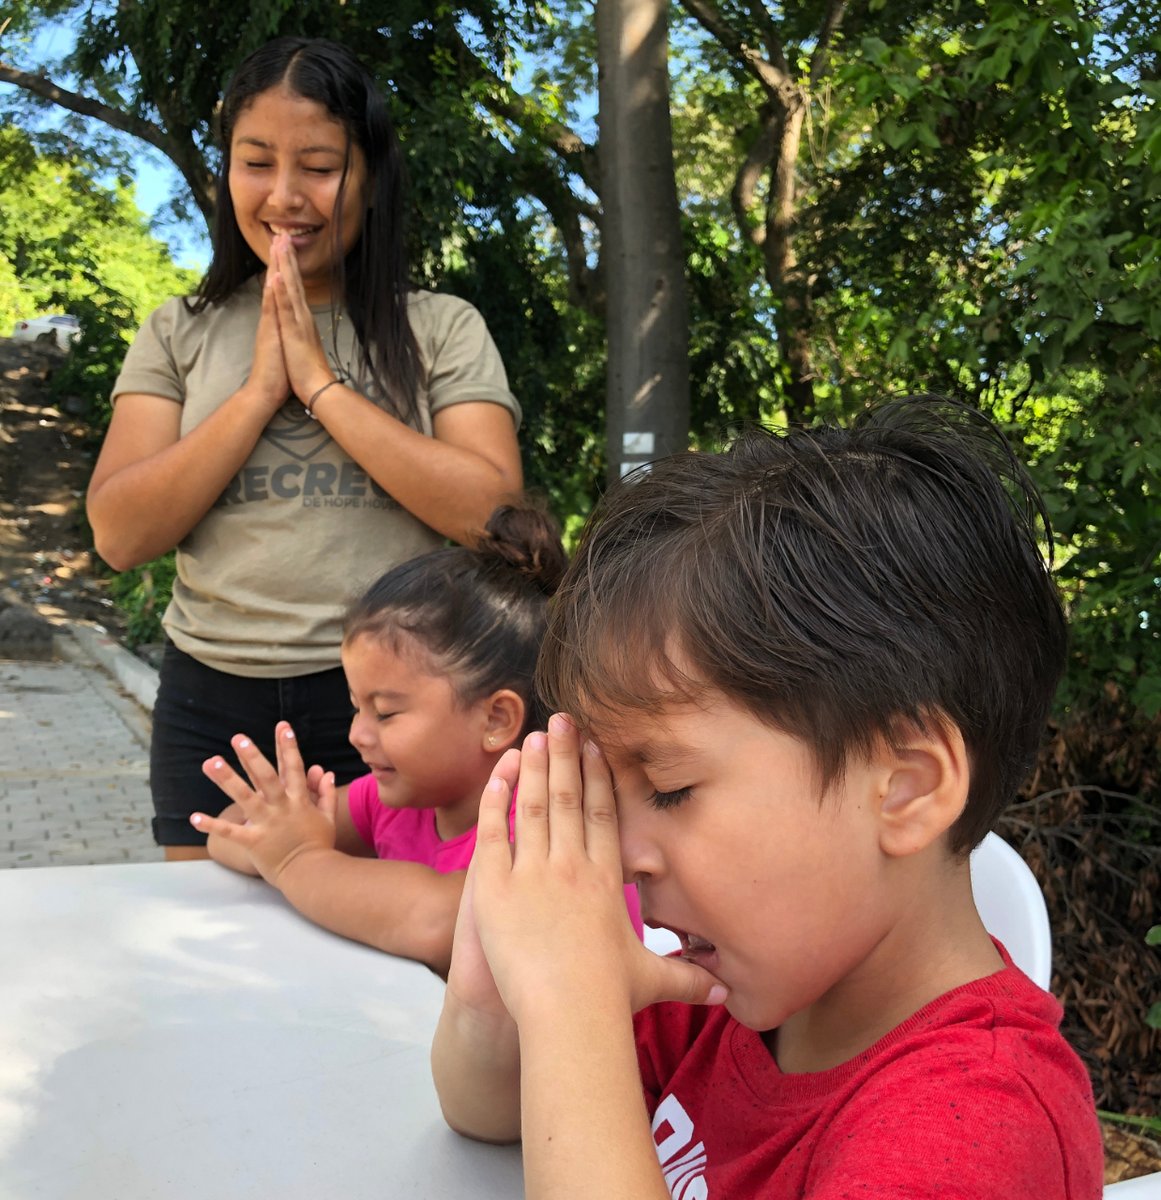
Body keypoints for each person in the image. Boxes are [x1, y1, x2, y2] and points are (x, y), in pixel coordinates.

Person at [431, 398, 1105, 1197]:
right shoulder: (732, 994)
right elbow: (488, 1111)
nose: (622, 856)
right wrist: (499, 981)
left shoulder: (976, 1131)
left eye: (672, 790)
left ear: (905, 787)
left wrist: (569, 1009)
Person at [86, 36, 522, 861]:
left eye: (319, 165)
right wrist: (256, 395)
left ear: (371, 176)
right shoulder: (179, 329)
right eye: (256, 162)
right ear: (227, 175)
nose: (285, 196)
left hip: (394, 708)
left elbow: (494, 516)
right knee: (219, 954)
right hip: (211, 698)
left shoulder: (439, 327)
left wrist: (322, 387)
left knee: (378, 963)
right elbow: (118, 533)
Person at [189, 505, 643, 976]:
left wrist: (297, 859)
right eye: (356, 706)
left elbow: (439, 921)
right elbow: (231, 832)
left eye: (385, 712)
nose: (356, 734)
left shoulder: (549, 820)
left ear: (496, 718)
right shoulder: (399, 800)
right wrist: (282, 825)